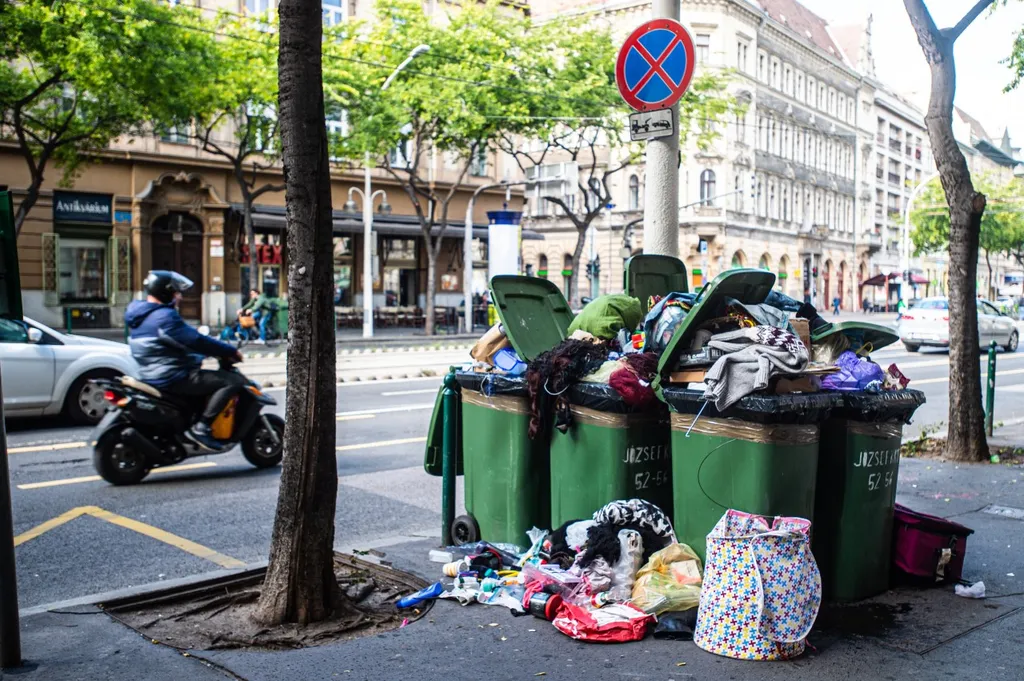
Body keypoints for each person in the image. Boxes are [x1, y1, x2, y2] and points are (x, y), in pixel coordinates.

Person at [125, 271, 246, 451]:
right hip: (172, 376)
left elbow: (172, 344)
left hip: (148, 373)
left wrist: (198, 355)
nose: (180, 297)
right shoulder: (164, 317)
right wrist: (229, 351)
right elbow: (196, 340)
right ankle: (202, 427)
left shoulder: (139, 314)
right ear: (166, 293)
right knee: (231, 382)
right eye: (176, 292)